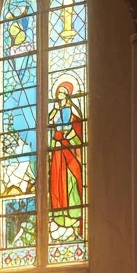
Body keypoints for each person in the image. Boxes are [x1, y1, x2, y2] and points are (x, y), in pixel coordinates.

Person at [48, 80, 84, 234]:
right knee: (57, 182)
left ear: (68, 95)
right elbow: (50, 125)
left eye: (62, 93)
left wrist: (68, 136)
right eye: (58, 93)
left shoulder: (74, 117)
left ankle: (73, 217)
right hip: (57, 151)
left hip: (69, 153)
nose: (59, 96)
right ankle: (59, 217)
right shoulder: (55, 114)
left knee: (70, 182)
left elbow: (79, 139)